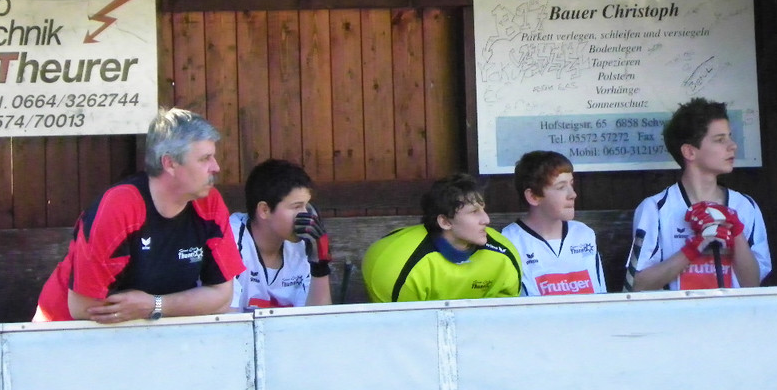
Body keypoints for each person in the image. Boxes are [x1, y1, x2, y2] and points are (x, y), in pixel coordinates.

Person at [34, 108, 245, 323]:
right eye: (205, 159)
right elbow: (82, 307)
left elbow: (222, 297)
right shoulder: (120, 206)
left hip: (148, 329)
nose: (216, 167)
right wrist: (155, 308)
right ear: (170, 163)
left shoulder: (209, 203)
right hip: (63, 328)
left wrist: (154, 305)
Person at [627, 97, 771, 291]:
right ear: (689, 152)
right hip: (677, 311)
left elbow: (752, 284)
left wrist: (736, 232)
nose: (733, 145)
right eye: (720, 140)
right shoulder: (655, 208)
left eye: (729, 137)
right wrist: (693, 248)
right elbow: (637, 285)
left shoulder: (746, 206)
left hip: (733, 311)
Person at [362, 173, 522, 303]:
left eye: (483, 209)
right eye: (474, 212)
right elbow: (404, 327)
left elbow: (503, 320)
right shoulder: (399, 266)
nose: (486, 220)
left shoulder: (504, 255)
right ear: (445, 222)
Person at [228, 159, 332, 311]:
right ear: (264, 210)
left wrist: (319, 264)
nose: (306, 215)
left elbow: (319, 318)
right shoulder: (231, 239)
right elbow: (226, 320)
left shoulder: (304, 244)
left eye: (306, 206)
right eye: (296, 206)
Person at [500, 150, 606, 296]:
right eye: (561, 187)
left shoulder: (584, 234)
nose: (573, 194)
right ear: (533, 196)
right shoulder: (509, 241)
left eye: (571, 184)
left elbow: (601, 297)